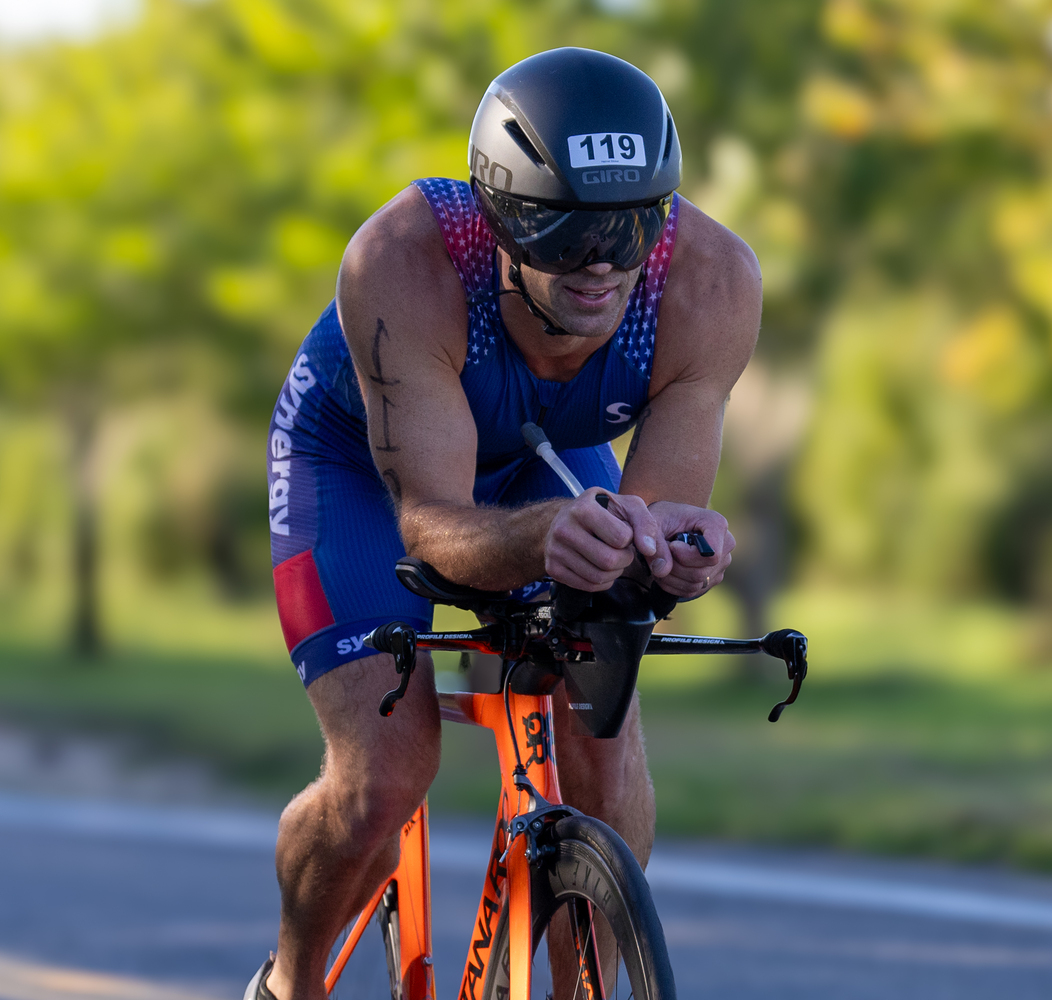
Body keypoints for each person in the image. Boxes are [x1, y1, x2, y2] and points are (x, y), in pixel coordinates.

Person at [249, 47, 760, 1000]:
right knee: (385, 778)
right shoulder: (405, 261)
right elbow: (431, 524)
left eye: (630, 225)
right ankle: (293, 979)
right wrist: (538, 539)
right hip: (364, 471)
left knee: (600, 761)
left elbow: (653, 519)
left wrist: (677, 550)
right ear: (503, 216)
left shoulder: (710, 281)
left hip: (548, 467)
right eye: (568, 235)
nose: (603, 262)